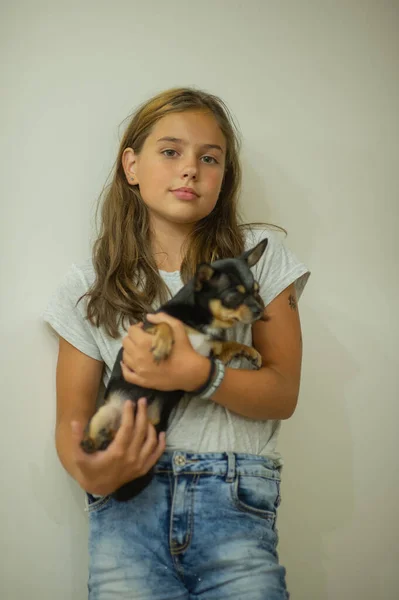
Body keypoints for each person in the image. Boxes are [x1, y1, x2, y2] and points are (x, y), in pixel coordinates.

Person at [43, 87, 310, 599]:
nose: (190, 169)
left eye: (210, 158)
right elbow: (70, 420)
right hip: (127, 511)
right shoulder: (87, 286)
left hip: (235, 507)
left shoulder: (260, 258)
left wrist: (199, 374)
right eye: (170, 152)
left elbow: (283, 392)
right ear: (131, 165)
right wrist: (92, 470)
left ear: (224, 176)